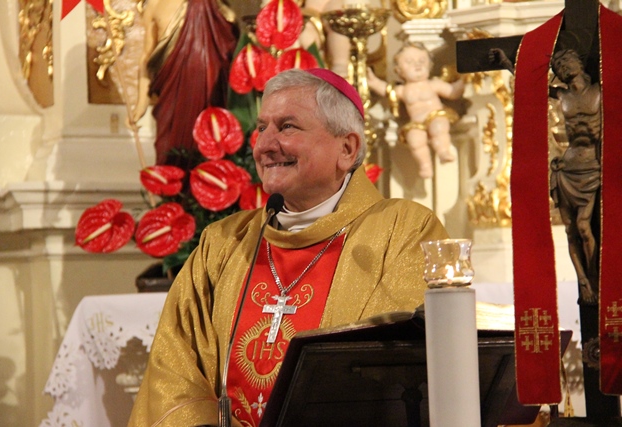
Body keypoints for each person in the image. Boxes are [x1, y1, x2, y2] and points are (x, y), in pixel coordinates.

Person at [128, 68, 448, 427]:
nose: (264, 145)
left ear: (347, 148)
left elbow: (390, 369)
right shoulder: (223, 242)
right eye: (262, 127)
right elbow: (174, 371)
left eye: (287, 127)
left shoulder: (402, 230)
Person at [130, 0, 238, 165]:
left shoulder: (211, 5)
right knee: (168, 153)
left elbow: (230, 47)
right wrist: (141, 104)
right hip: (171, 97)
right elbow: (146, 56)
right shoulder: (154, 5)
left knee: (207, 153)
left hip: (209, 93)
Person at [549, 49, 601, 305]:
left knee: (584, 226)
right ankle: (584, 281)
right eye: (558, 65)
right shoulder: (562, 95)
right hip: (568, 167)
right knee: (571, 230)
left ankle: (595, 278)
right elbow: (529, 87)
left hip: (593, 166)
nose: (563, 66)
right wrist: (507, 63)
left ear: (579, 62)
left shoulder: (600, 91)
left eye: (567, 61)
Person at [368, 42, 465, 178]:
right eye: (409, 62)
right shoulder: (403, 90)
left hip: (435, 115)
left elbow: (453, 92)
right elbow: (387, 91)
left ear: (430, 65)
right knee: (414, 139)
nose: (417, 65)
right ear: (399, 71)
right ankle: (425, 165)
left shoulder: (433, 84)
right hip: (416, 122)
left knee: (438, 128)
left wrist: (464, 80)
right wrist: (373, 82)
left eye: (422, 61)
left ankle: (443, 151)